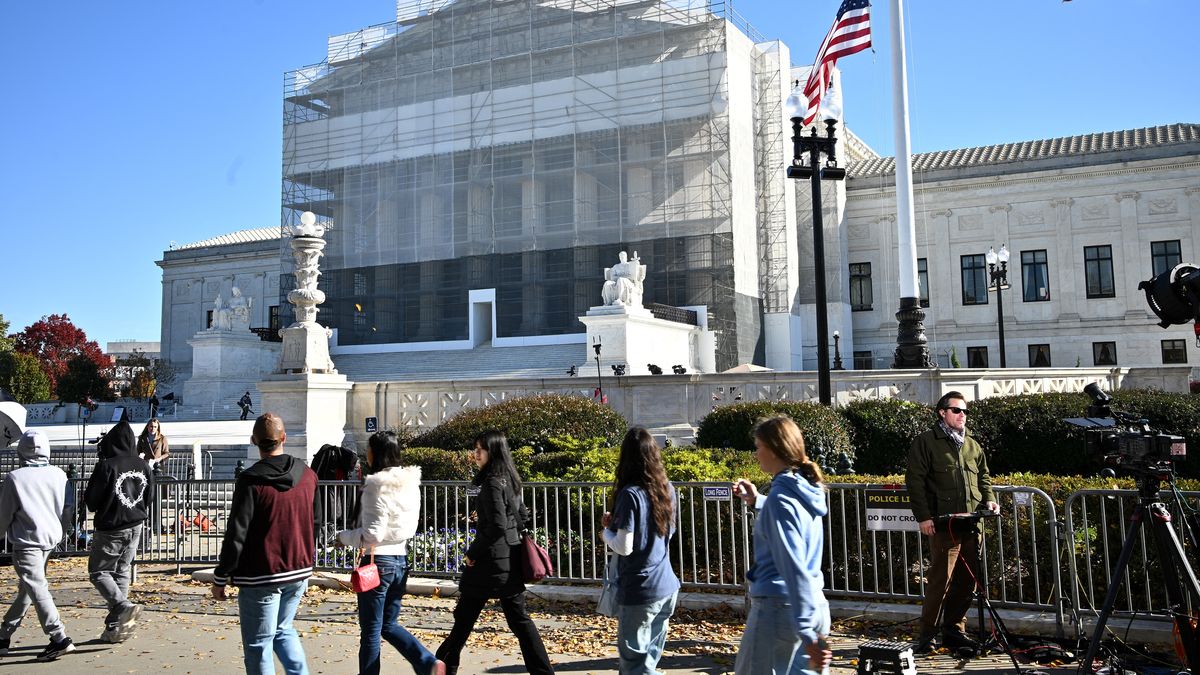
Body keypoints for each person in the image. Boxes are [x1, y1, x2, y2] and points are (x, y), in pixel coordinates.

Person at [435, 431, 554, 675]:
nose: (476, 453)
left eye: (481, 449)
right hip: (508, 558)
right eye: (475, 448)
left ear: (494, 451)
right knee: (517, 620)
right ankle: (542, 672)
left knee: (466, 618)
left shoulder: (491, 482)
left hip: (489, 563)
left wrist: (472, 553)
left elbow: (497, 525)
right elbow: (522, 516)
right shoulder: (509, 478)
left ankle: (442, 666)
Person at [212, 413, 317, 675]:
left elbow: (237, 531)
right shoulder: (306, 473)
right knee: (283, 630)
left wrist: (222, 575)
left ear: (253, 441)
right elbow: (315, 520)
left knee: (259, 643)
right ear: (284, 438)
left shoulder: (251, 481)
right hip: (299, 566)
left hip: (262, 572)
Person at [337, 431, 445, 675]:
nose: (366, 454)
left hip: (378, 561)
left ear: (376, 454)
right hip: (399, 560)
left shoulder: (376, 485)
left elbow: (373, 534)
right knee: (388, 623)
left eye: (369, 450)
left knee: (372, 630)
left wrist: (343, 537)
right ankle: (426, 661)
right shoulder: (410, 484)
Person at [732, 415, 832, 675]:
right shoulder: (805, 489)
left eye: (759, 447)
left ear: (775, 450)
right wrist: (758, 501)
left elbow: (792, 565)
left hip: (779, 609)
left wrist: (806, 631)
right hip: (813, 603)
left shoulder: (781, 498)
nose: (756, 454)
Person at [905, 391, 999, 655]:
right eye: (957, 410)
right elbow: (915, 482)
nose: (962, 416)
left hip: (971, 524)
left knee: (967, 581)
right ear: (942, 413)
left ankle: (954, 629)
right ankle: (928, 634)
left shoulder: (971, 445)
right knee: (940, 580)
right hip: (944, 524)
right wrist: (923, 517)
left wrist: (990, 500)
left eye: (965, 411)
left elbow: (984, 477)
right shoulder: (926, 442)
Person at [601, 427, 680, 675]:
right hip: (666, 585)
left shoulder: (630, 495)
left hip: (640, 588)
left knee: (635, 665)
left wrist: (605, 534)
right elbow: (667, 532)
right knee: (649, 661)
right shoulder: (667, 489)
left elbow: (624, 546)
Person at [0, 430, 75, 661]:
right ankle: (4, 635)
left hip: (26, 540)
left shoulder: (15, 477)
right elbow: (68, 508)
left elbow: (5, 513)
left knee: (36, 588)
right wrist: (63, 530)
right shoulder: (59, 474)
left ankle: (59, 637)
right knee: (29, 589)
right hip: (50, 538)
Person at [85, 418, 152, 644]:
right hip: (135, 524)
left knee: (99, 572)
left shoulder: (107, 465)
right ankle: (117, 627)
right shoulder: (143, 465)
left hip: (112, 525)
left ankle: (121, 606)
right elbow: (149, 497)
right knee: (122, 571)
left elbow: (92, 501)